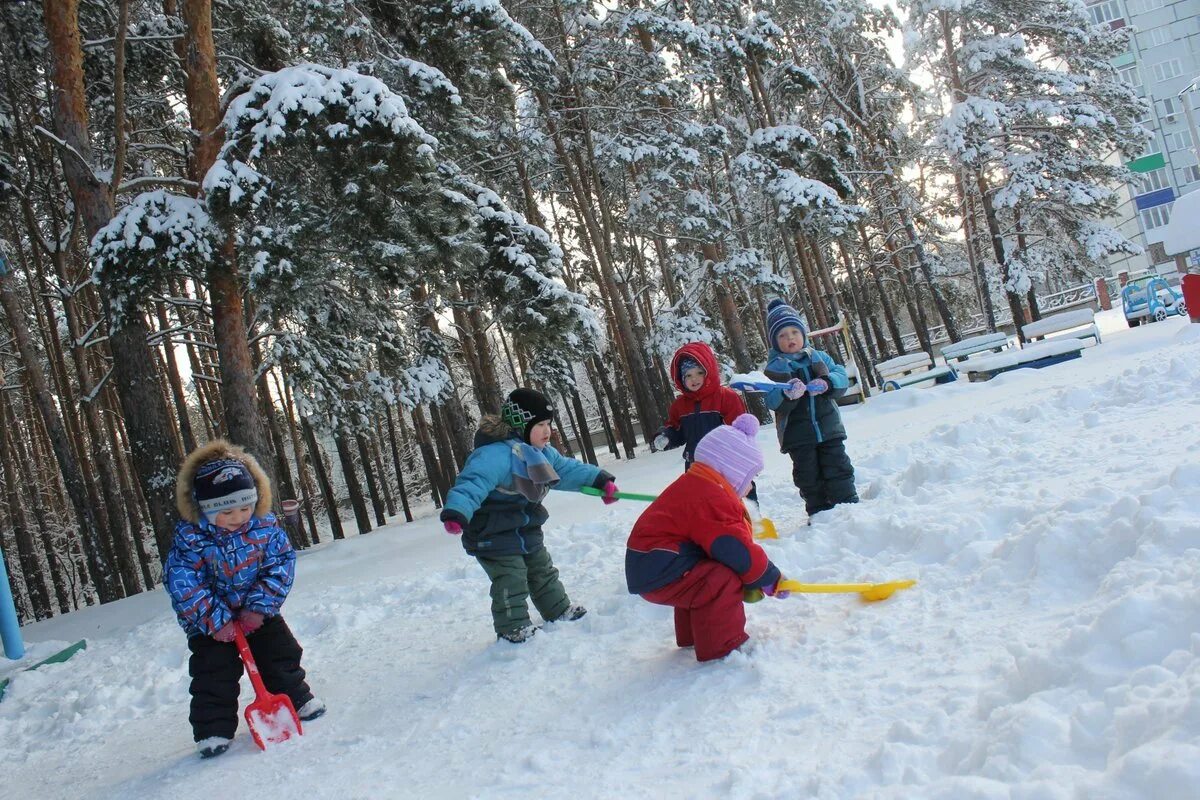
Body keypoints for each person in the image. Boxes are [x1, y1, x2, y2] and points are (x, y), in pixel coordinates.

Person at [165, 440, 324, 759]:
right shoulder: (191, 539)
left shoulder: (265, 528)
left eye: (245, 506)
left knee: (280, 652)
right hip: (209, 622)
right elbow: (183, 582)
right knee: (214, 671)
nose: (238, 516)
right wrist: (214, 620)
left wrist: (260, 607)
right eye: (226, 511)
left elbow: (280, 565)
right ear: (205, 509)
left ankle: (295, 698)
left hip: (256, 611)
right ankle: (212, 730)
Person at [440, 388, 619, 643]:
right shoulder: (495, 454)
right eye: (540, 425)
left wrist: (600, 481)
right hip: (492, 531)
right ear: (520, 424)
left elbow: (567, 470)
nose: (547, 431)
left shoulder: (542, 454)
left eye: (548, 424)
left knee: (541, 569)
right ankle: (512, 626)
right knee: (511, 577)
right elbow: (472, 483)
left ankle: (557, 609)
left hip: (525, 528)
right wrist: (457, 512)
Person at [626, 414, 789, 662]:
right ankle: (722, 646)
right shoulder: (712, 497)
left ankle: (693, 634)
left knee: (699, 575)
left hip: (653, 565)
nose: (749, 486)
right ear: (731, 470)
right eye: (749, 478)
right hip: (660, 567)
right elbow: (736, 550)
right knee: (719, 579)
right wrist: (768, 576)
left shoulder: (696, 484)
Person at [762, 298, 858, 519]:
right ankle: (819, 511)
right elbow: (770, 399)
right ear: (775, 341)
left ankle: (848, 504)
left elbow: (840, 376)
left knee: (838, 465)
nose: (790, 339)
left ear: (803, 333)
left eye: (794, 332)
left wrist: (827, 382)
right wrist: (787, 393)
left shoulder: (818, 357)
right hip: (798, 435)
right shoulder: (774, 368)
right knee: (808, 474)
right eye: (782, 335)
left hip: (828, 427)